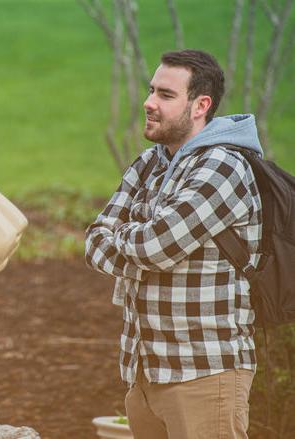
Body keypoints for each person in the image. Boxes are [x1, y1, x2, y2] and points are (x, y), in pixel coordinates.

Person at [85, 49, 262, 439]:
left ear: (201, 105)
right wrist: (143, 244)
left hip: (204, 374)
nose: (149, 102)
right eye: (152, 90)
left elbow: (155, 247)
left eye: (166, 95)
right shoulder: (149, 163)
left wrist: (133, 242)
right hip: (145, 375)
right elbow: (95, 243)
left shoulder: (224, 166)